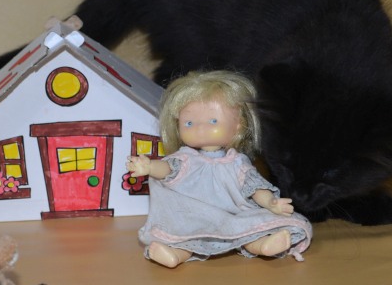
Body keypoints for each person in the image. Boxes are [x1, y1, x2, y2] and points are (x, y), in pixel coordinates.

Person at [126, 70, 312, 268]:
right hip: (195, 218)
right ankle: (173, 255)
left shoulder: (237, 163)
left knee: (250, 231)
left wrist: (271, 202)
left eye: (213, 121)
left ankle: (264, 245)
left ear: (238, 125)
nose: (200, 128)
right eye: (189, 123)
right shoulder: (186, 159)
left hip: (233, 216)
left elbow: (254, 187)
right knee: (186, 238)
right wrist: (150, 166)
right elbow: (167, 170)